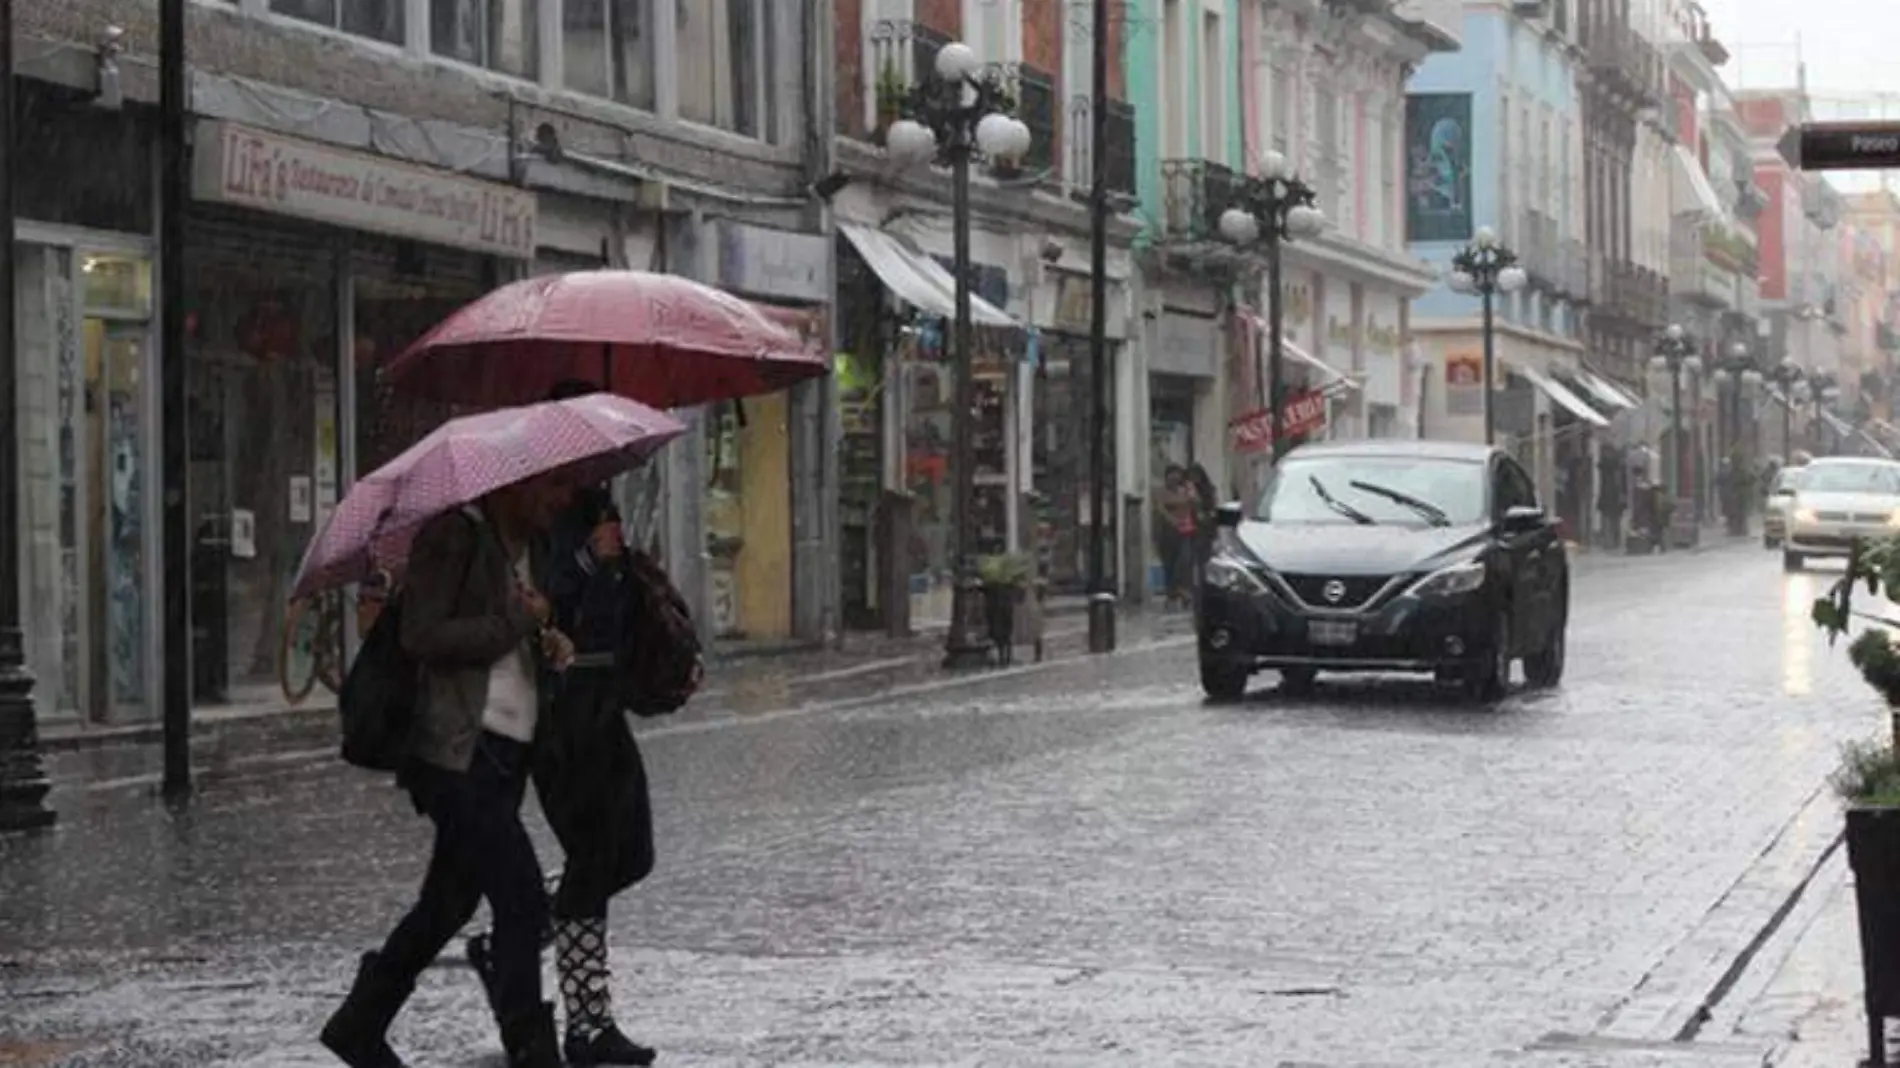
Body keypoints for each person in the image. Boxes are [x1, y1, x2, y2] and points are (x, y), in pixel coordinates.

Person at [465, 379, 689, 1067]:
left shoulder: (593, 501)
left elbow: (608, 600)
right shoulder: (534, 510)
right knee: (595, 858)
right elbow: (540, 602)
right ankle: (588, 1025)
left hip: (604, 701)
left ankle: (518, 933)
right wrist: (592, 557)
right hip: (562, 711)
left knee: (633, 852)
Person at [320, 470, 578, 1068]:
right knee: (522, 900)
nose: (559, 501)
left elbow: (511, 640)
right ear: (513, 486)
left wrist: (548, 640)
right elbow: (423, 634)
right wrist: (517, 621)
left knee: (449, 903)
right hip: (456, 752)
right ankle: (531, 1047)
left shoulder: (527, 550)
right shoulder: (454, 537)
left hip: (505, 752)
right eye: (550, 489)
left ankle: (360, 1022)